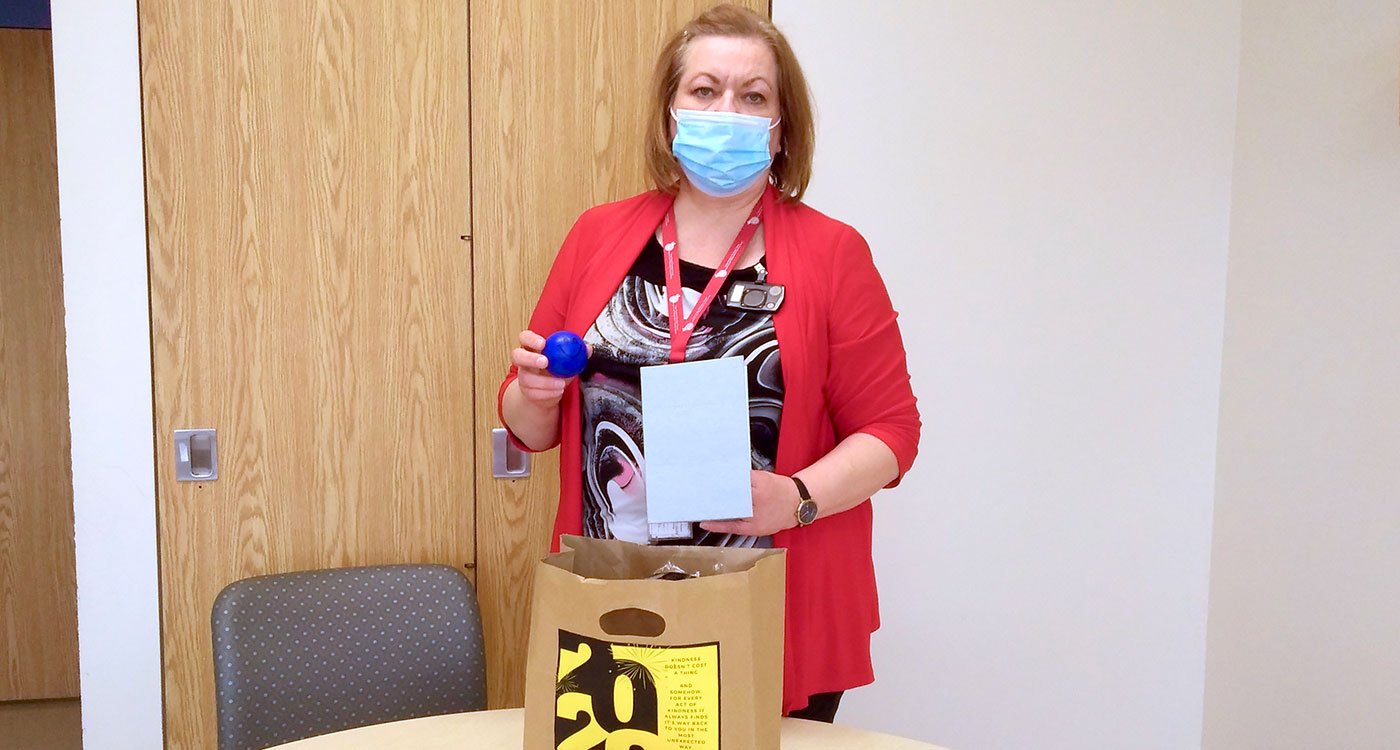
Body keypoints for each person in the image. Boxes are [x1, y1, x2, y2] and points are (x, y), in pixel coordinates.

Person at [497, 4, 920, 723]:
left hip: (767, 605)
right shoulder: (599, 235)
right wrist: (534, 392)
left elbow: (892, 432)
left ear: (782, 128)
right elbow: (529, 424)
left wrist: (796, 496)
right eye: (704, 90)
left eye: (753, 96)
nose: (727, 109)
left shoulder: (834, 254)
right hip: (616, 599)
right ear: (670, 114)